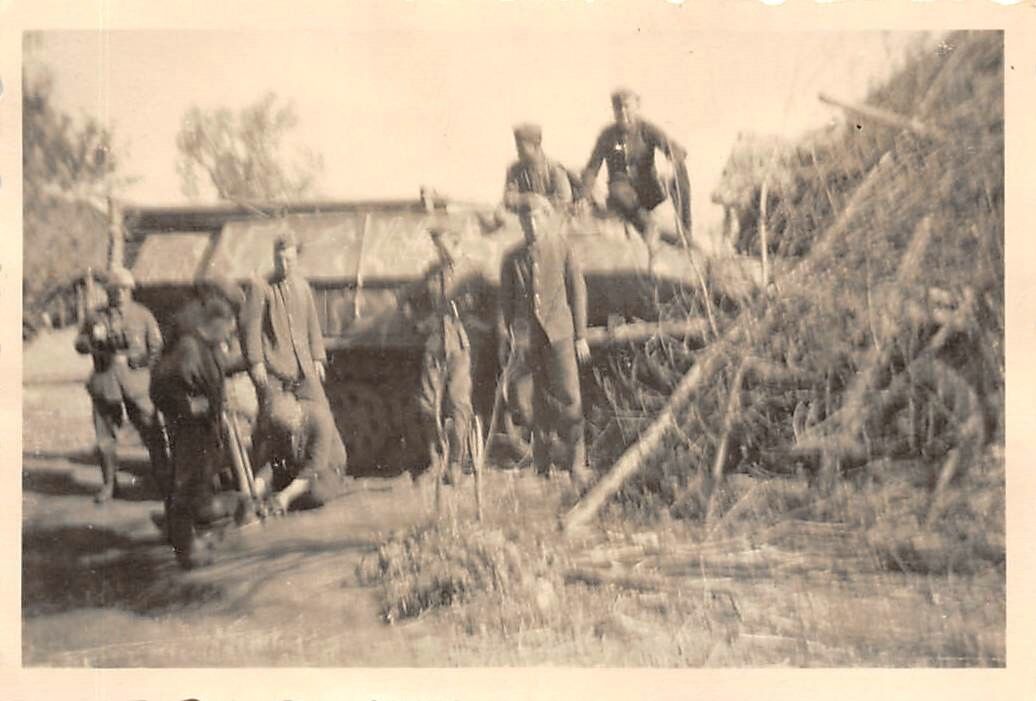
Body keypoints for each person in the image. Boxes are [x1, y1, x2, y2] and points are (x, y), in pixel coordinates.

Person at [149, 282, 248, 569]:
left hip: (203, 429)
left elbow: (214, 372)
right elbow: (162, 388)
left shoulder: (205, 347)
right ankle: (186, 552)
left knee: (198, 486)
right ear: (215, 323)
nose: (230, 334)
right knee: (187, 488)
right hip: (190, 429)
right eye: (228, 328)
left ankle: (191, 539)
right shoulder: (190, 348)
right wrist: (188, 407)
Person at [498, 197, 592, 486]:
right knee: (531, 404)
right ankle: (543, 464)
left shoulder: (562, 248)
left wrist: (580, 336)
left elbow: (578, 291)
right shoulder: (512, 257)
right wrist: (506, 337)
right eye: (526, 220)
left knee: (570, 400)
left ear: (547, 218)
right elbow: (505, 303)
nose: (532, 225)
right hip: (528, 341)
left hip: (560, 335)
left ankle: (577, 463)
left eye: (537, 218)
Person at [241, 230, 348, 472]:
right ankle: (262, 475)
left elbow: (313, 327)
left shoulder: (303, 287)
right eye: (279, 259)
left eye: (289, 260)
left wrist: (318, 358)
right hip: (273, 370)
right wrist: (256, 362)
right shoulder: (260, 287)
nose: (284, 265)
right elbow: (250, 328)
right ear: (273, 257)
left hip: (303, 369)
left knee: (323, 412)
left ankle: (332, 468)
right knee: (272, 421)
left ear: (296, 259)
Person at [74, 266, 169, 504]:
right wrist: (92, 342)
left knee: (152, 431)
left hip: (137, 382)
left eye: (123, 289)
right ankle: (109, 484)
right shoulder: (95, 315)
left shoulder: (142, 314)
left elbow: (157, 346)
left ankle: (163, 480)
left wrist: (144, 360)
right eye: (114, 290)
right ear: (107, 291)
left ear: (131, 290)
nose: (118, 294)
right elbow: (79, 343)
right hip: (105, 380)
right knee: (105, 436)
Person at [581, 88, 691, 249]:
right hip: (621, 193)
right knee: (618, 190)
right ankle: (648, 226)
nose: (623, 112)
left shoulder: (647, 129)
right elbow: (592, 167)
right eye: (618, 108)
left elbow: (677, 150)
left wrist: (671, 162)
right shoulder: (607, 135)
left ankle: (686, 231)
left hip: (648, 189)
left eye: (627, 107)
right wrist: (583, 195)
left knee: (680, 172)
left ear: (636, 107)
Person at [411, 226, 475, 485]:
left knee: (458, 404)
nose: (439, 249)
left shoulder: (471, 272)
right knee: (427, 403)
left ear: (455, 240)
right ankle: (437, 460)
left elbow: (491, 305)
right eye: (436, 245)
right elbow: (410, 299)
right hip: (435, 344)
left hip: (459, 345)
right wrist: (419, 322)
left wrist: (477, 324)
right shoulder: (431, 273)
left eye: (443, 243)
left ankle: (457, 464)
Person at [249, 390, 349, 514]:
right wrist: (258, 485)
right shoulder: (280, 421)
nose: (289, 433)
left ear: (298, 413)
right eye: (285, 430)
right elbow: (272, 460)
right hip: (299, 468)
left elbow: (315, 466)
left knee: (315, 494)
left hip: (326, 470)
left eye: (290, 427)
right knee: (273, 491)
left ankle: (286, 499)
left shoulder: (320, 418)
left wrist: (286, 496)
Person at [503, 123, 574, 214]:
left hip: (552, 221)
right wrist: (528, 199)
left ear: (536, 145)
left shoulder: (554, 169)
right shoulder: (515, 169)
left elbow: (565, 200)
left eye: (521, 147)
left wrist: (542, 203)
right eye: (517, 146)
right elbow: (508, 198)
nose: (517, 150)